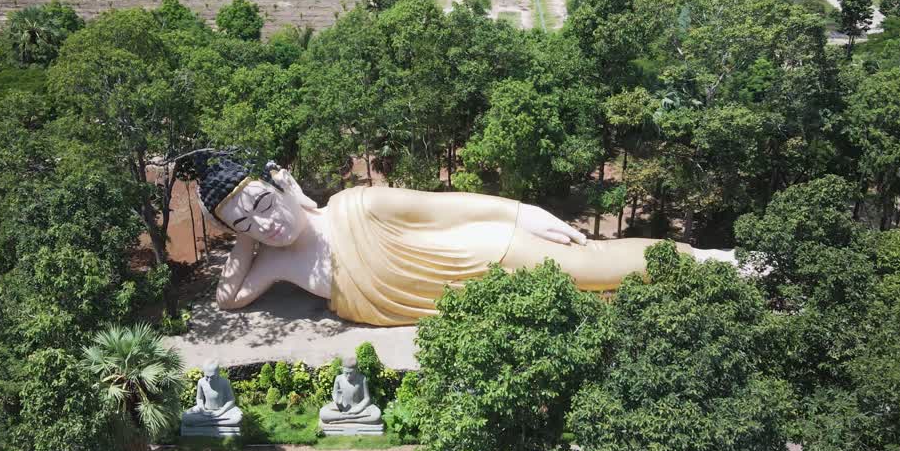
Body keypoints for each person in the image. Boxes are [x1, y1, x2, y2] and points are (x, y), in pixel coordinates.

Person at [191, 150, 727, 326]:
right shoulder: (280, 261)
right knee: (590, 304)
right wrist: (242, 234)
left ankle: (710, 261)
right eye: (247, 224)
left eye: (264, 205)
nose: (267, 225)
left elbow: (447, 209)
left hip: (483, 253)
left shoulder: (356, 206)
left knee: (592, 265)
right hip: (464, 304)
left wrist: (523, 212)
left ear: (283, 183)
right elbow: (228, 298)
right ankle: (693, 285)